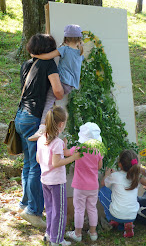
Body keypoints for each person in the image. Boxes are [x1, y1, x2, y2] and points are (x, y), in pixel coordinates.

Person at [15, 33, 64, 228]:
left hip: (20, 116)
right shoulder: (49, 64)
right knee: (37, 165)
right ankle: (34, 211)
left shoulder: (27, 64)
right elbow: (58, 91)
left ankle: (25, 204)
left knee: (28, 164)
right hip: (35, 118)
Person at [28, 24, 84, 141]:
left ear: (66, 39)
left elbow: (48, 56)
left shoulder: (64, 49)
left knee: (48, 102)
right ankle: (50, 130)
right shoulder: (79, 53)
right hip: (70, 85)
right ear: (79, 39)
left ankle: (42, 129)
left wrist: (34, 55)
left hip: (62, 82)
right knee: (52, 104)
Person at [36, 106, 81, 246]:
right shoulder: (57, 142)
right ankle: (58, 240)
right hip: (56, 182)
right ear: (61, 124)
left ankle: (49, 234)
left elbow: (38, 158)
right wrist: (73, 157)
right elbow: (56, 163)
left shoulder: (42, 139)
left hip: (45, 180)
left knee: (49, 209)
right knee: (60, 211)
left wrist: (62, 149)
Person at [63, 122, 104, 242]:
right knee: (92, 208)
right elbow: (99, 166)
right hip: (93, 186)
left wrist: (64, 144)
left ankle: (78, 233)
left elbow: (65, 154)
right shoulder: (98, 151)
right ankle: (93, 232)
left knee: (79, 210)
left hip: (80, 186)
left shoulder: (78, 149)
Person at [99, 150, 140, 238]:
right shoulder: (136, 177)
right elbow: (124, 178)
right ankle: (127, 224)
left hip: (117, 214)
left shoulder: (115, 176)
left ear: (120, 164)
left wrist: (107, 174)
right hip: (132, 215)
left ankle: (113, 220)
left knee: (102, 191)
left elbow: (103, 183)